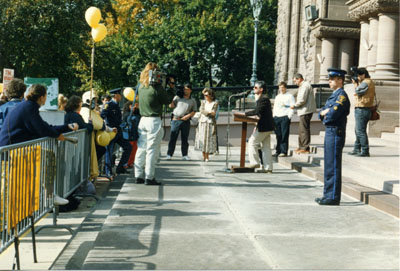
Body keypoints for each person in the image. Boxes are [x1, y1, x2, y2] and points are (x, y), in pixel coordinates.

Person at [0, 84, 78, 147]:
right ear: (41, 97)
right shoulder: (30, 107)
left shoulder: (28, 105)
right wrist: (57, 135)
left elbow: (45, 126)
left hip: (10, 146)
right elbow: (41, 129)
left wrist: (67, 127)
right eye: (46, 96)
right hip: (9, 150)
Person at [134, 62, 174, 185]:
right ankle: (149, 177)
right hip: (153, 120)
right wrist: (171, 88)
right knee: (151, 150)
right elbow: (167, 100)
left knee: (141, 148)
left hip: (143, 119)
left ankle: (138, 175)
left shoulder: (140, 86)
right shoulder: (156, 88)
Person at [315, 68, 350, 206]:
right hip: (330, 131)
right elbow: (321, 113)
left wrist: (326, 113)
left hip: (335, 132)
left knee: (333, 164)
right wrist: (325, 112)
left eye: (332, 79)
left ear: (340, 80)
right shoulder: (333, 96)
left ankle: (333, 196)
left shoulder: (341, 96)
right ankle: (328, 194)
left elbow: (332, 116)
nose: (329, 81)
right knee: (329, 164)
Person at [237, 81, 274, 173]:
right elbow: (261, 113)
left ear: (261, 89)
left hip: (265, 127)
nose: (253, 89)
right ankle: (268, 168)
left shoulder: (263, 99)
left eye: (255, 87)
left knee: (252, 142)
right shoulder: (262, 98)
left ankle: (255, 162)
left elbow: (257, 111)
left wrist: (244, 114)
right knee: (266, 147)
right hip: (267, 126)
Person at [101, 88, 132, 177]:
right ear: (116, 95)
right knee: (109, 151)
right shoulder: (109, 105)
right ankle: (108, 172)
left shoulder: (116, 105)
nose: (121, 96)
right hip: (111, 132)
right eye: (120, 95)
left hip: (118, 132)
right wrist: (107, 128)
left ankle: (120, 167)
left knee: (128, 147)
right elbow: (102, 117)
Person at [348, 67, 375, 157]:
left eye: (358, 75)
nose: (357, 77)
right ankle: (356, 149)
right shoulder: (368, 82)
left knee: (360, 131)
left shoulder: (366, 82)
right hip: (363, 108)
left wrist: (356, 84)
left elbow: (358, 91)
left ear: (363, 75)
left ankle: (365, 150)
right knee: (358, 130)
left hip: (362, 109)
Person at [166, 83, 197, 160]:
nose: (185, 91)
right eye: (184, 89)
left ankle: (184, 154)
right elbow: (171, 106)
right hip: (176, 119)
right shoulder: (177, 97)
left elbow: (194, 111)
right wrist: (173, 98)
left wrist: (188, 116)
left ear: (190, 90)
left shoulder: (192, 100)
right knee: (173, 137)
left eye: (187, 89)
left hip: (185, 120)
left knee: (185, 138)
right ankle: (169, 154)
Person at [290, 73, 316, 154]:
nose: (295, 83)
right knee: (302, 129)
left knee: (304, 129)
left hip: (305, 110)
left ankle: (305, 147)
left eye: (295, 81)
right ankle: (301, 146)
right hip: (304, 110)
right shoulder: (303, 86)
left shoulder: (305, 86)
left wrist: (294, 105)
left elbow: (302, 100)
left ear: (299, 79)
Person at [194, 88, 218, 162]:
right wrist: (208, 113)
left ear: (211, 95)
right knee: (202, 138)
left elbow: (214, 112)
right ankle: (203, 155)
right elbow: (201, 110)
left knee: (209, 139)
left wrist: (207, 112)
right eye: (204, 95)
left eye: (206, 95)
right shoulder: (203, 102)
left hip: (210, 123)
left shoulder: (215, 102)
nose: (205, 96)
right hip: (202, 122)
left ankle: (207, 156)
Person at [273, 82, 295, 157]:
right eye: (280, 87)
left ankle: (284, 151)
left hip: (285, 117)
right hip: (277, 117)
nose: (281, 89)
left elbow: (292, 106)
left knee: (284, 134)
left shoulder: (290, 96)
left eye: (283, 87)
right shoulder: (277, 97)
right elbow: (275, 107)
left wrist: (289, 116)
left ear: (285, 88)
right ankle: (278, 150)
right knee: (278, 135)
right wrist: (274, 116)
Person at [122, 100, 140, 168]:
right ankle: (126, 162)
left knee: (134, 150)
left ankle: (131, 162)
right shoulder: (126, 114)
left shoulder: (137, 114)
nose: (134, 107)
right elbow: (123, 123)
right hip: (129, 134)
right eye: (132, 105)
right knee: (129, 149)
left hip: (135, 134)